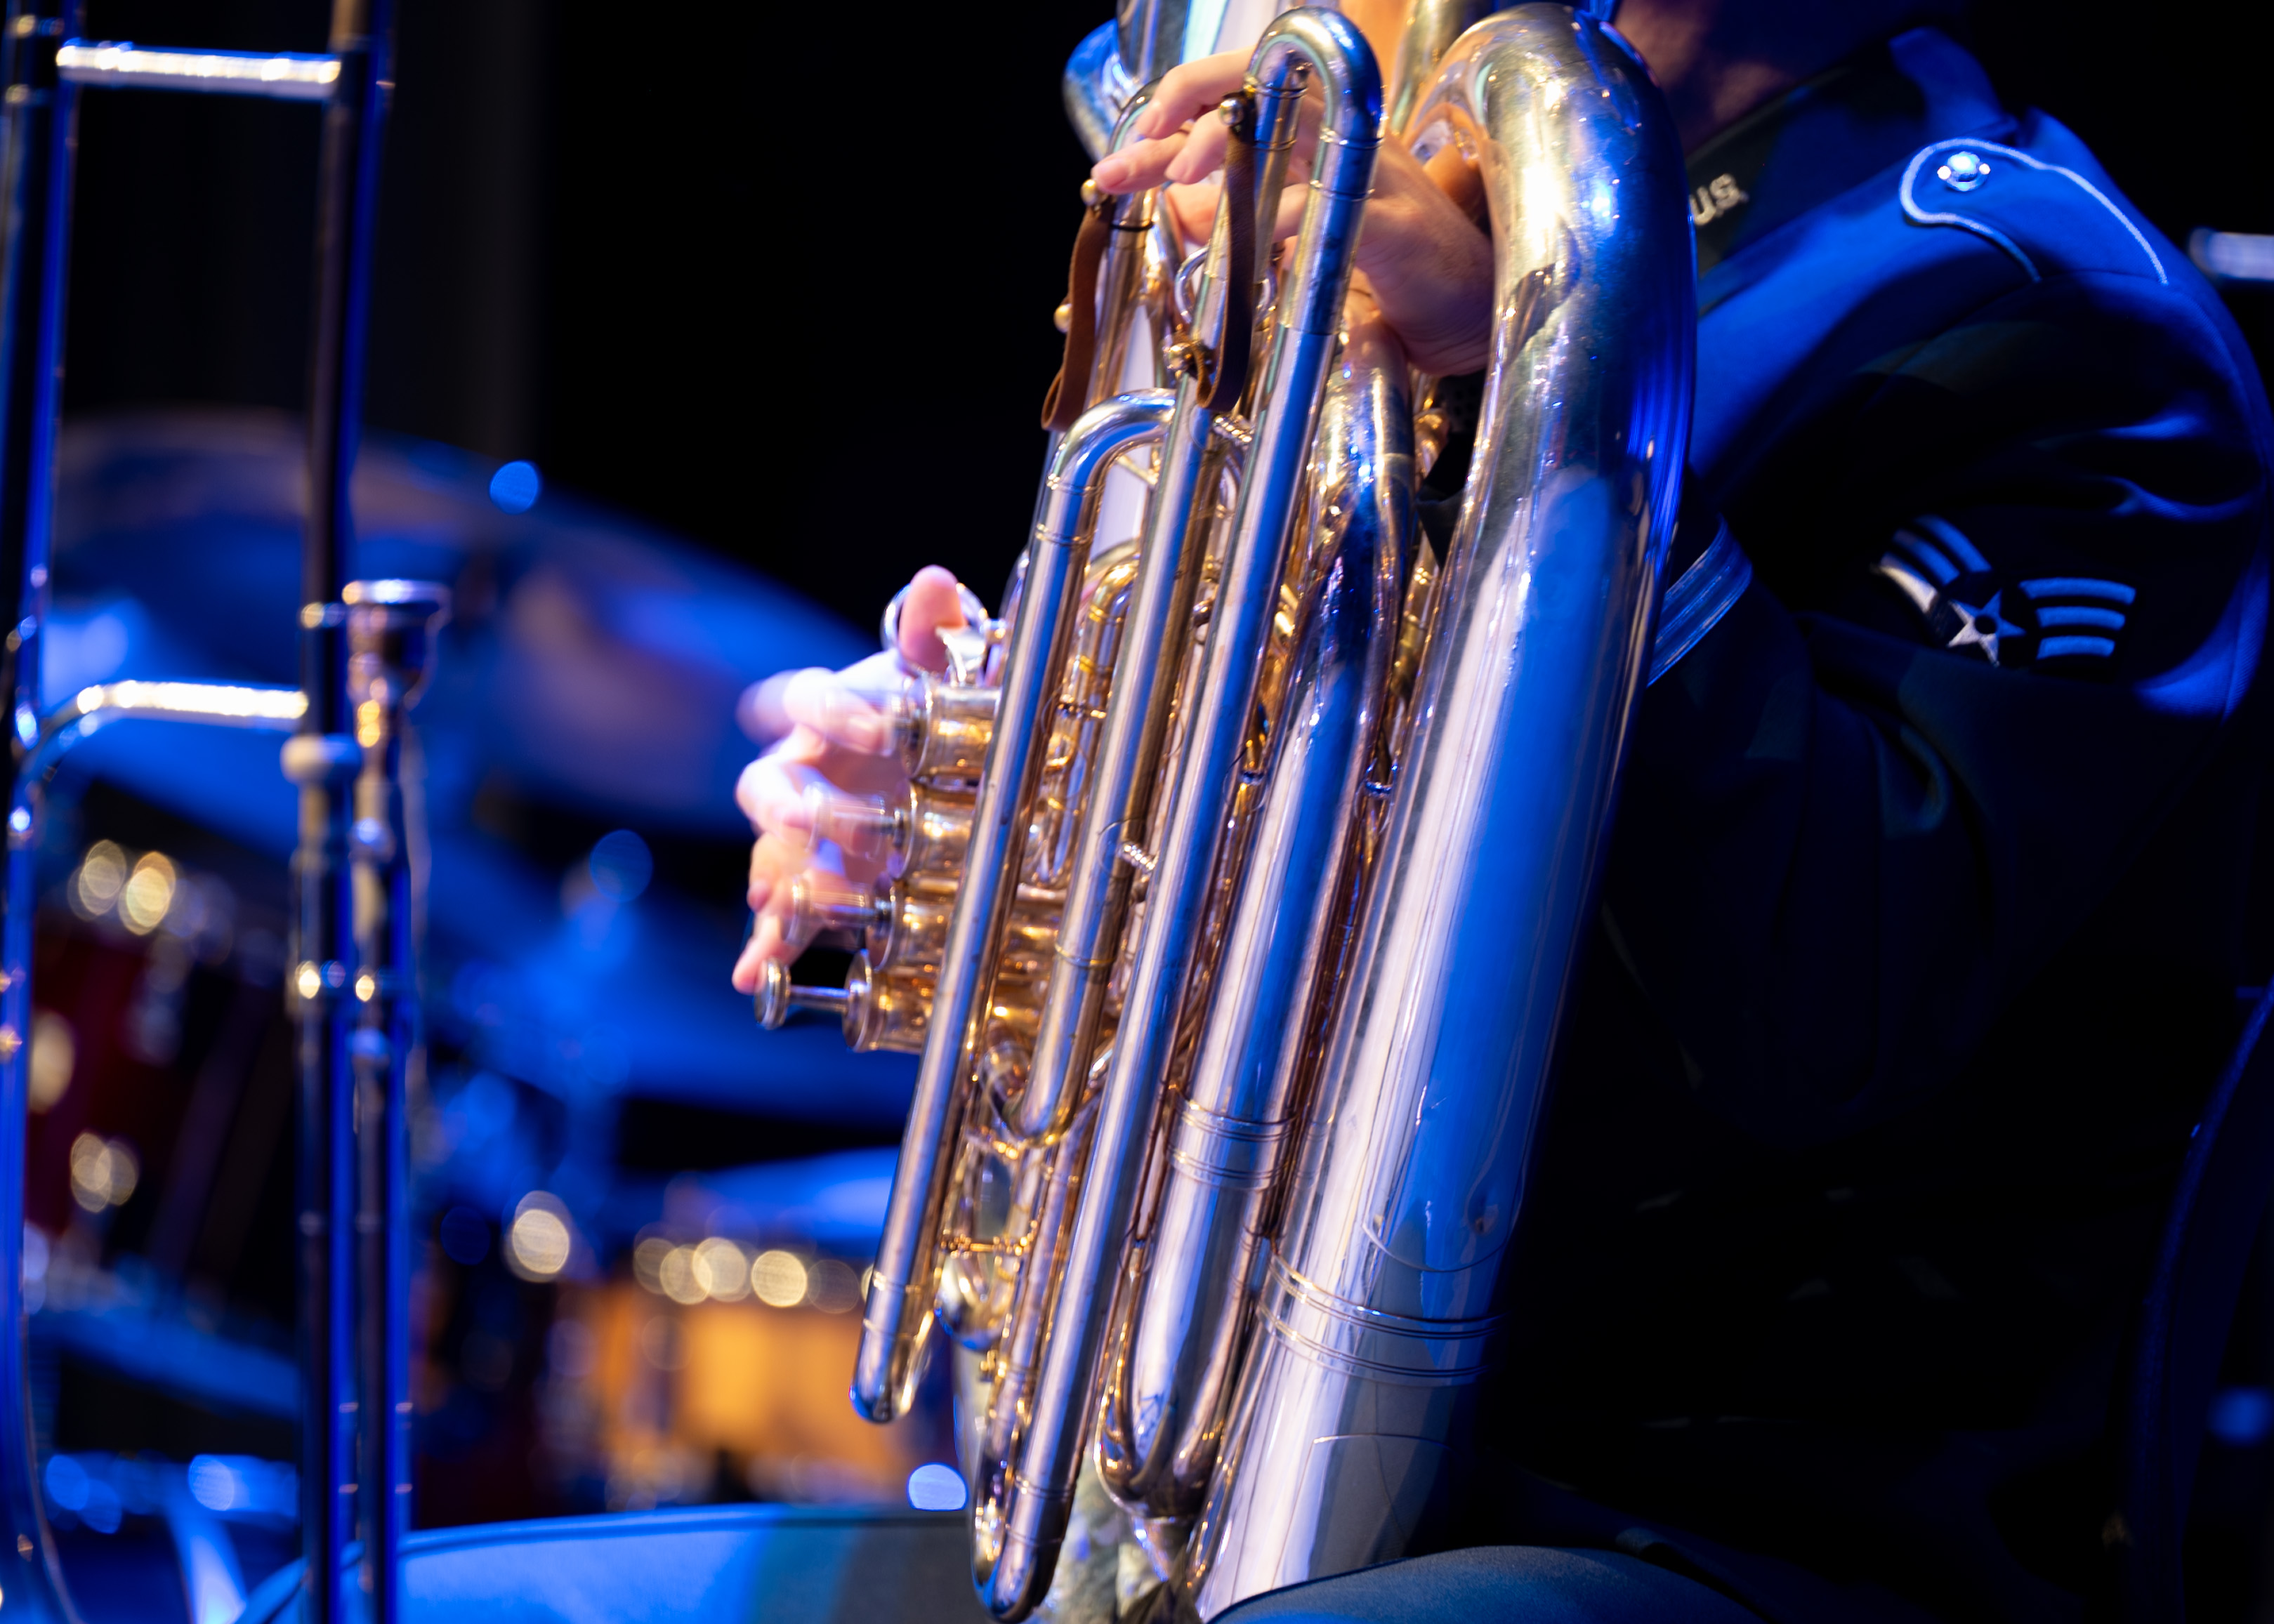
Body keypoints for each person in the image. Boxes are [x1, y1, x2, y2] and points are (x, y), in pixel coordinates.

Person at [734, 0, 2273, 1617]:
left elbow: (1824, 998)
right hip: (1277, 1486)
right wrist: (1000, 813)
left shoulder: (2068, 335)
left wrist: (1546, 410)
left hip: (1722, 1527)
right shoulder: (1461, 190)